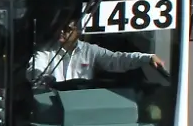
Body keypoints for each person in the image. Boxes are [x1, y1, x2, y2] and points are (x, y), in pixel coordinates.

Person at [29, 19, 164, 86]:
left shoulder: (90, 51)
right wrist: (41, 77)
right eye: (60, 28)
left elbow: (117, 60)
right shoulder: (45, 51)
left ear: (79, 32)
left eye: (68, 29)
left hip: (85, 104)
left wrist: (147, 58)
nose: (62, 32)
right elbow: (35, 69)